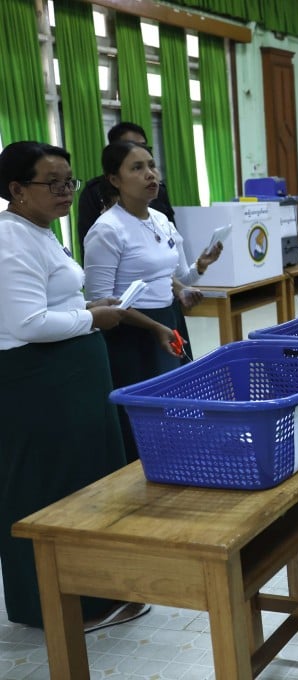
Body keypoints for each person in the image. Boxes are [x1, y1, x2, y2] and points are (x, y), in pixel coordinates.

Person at [0, 141, 149, 632]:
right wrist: (91, 317)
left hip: (69, 377)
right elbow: (28, 323)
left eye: (70, 180)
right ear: (17, 190)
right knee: (49, 488)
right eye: (53, 182)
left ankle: (93, 592)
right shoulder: (10, 239)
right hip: (38, 382)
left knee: (85, 481)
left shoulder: (39, 231)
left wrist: (91, 306)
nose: (66, 191)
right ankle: (56, 607)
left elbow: (55, 302)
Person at [84, 141, 223, 463]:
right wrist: (154, 325)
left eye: (151, 165)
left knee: (171, 403)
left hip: (166, 322)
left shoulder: (160, 219)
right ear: (114, 180)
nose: (150, 175)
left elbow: (178, 278)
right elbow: (99, 301)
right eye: (137, 168)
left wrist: (201, 266)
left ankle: (175, 466)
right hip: (130, 332)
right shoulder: (107, 230)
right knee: (142, 414)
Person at [77, 121, 175, 251]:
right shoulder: (95, 192)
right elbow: (90, 247)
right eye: (131, 145)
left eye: (144, 146)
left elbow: (173, 241)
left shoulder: (158, 190)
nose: (139, 151)